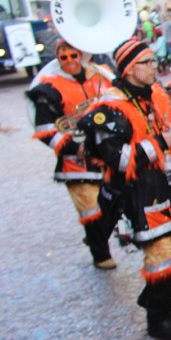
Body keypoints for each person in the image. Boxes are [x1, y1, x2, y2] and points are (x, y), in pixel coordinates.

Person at [77, 40, 171, 340]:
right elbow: (117, 160)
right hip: (141, 193)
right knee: (160, 254)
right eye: (146, 62)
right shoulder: (109, 107)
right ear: (130, 69)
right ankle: (157, 320)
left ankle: (154, 297)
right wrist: (158, 144)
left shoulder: (155, 93)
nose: (153, 66)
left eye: (152, 59)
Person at [26, 39, 115, 269]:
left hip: (107, 152)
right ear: (58, 59)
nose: (69, 61)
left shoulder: (102, 75)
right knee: (91, 209)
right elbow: (45, 131)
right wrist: (76, 147)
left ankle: (96, 235)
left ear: (80, 55)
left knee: (117, 203)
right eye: (63, 58)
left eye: (73, 56)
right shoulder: (49, 87)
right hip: (75, 160)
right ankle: (101, 254)